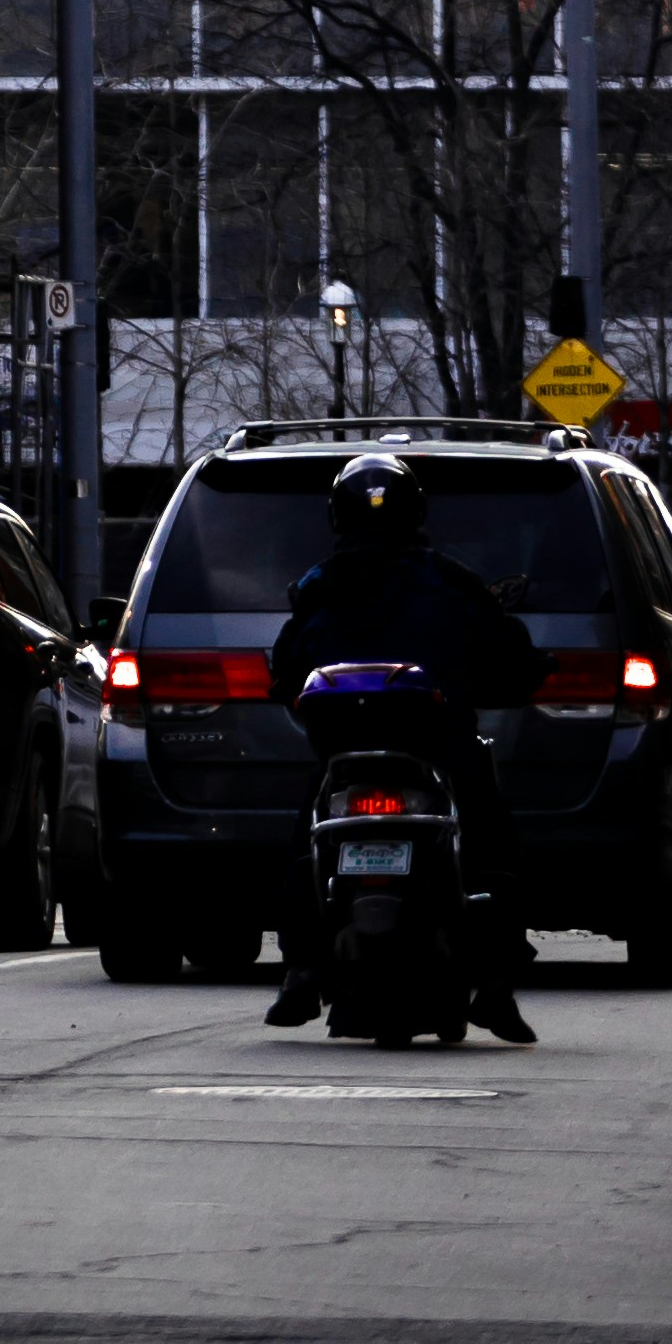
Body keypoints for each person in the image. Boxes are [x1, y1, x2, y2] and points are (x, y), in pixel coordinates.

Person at [259, 443, 542, 1042]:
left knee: (307, 834)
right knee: (492, 838)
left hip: (344, 751)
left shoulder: (317, 585)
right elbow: (507, 655)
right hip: (437, 745)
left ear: (336, 515)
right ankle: (496, 983)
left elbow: (284, 667)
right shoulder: (449, 579)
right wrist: (525, 672)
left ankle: (301, 969)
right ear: (416, 512)